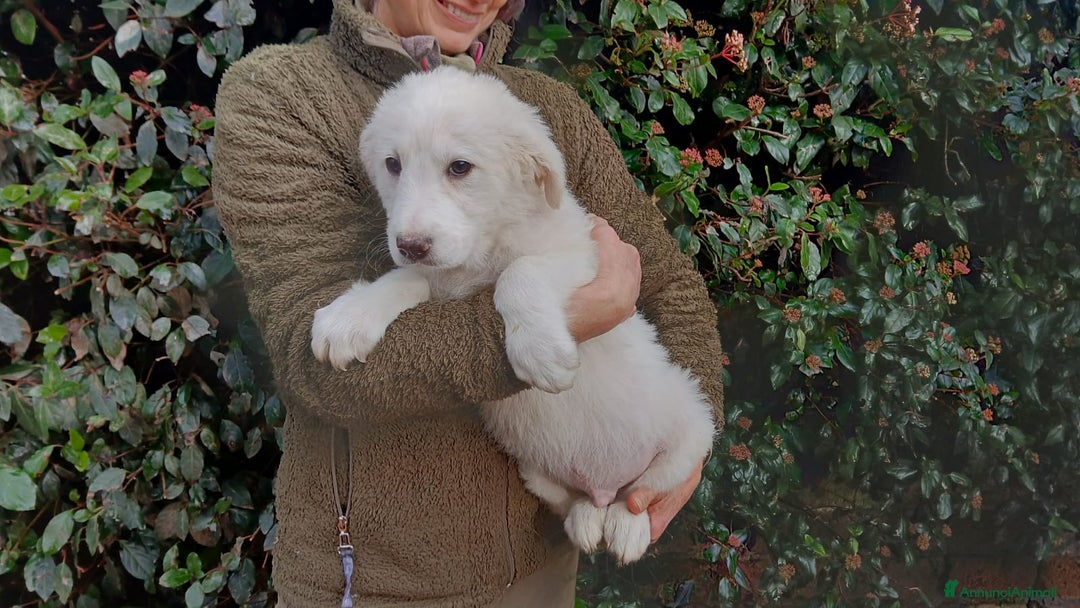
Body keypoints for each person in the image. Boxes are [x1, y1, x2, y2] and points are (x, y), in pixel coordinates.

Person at [211, 0, 726, 606]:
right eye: (394, 168)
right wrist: (551, 323)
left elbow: (666, 282)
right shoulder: (283, 95)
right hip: (377, 584)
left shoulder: (542, 109)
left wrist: (687, 442)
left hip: (541, 564)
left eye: (459, 167)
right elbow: (319, 367)